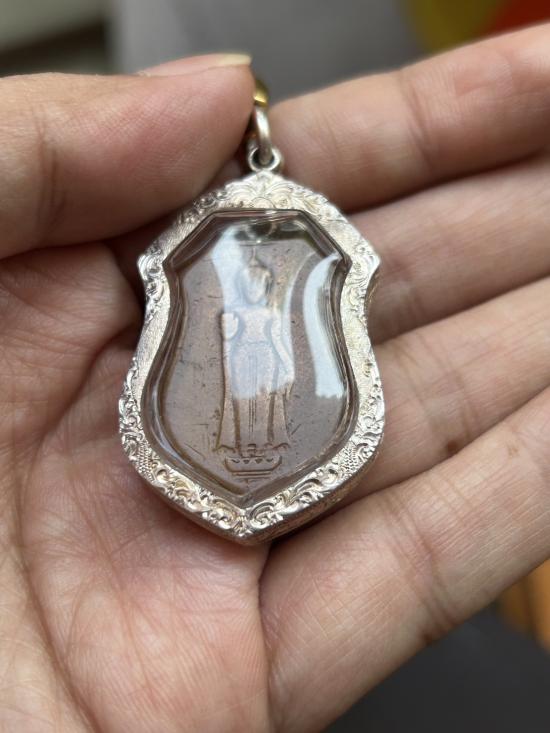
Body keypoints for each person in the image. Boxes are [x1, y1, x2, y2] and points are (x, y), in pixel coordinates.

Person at [0, 22, 549, 732]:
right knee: (245, 414)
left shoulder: (285, 280)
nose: (259, 281)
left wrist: (276, 354)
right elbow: (222, 333)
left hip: (271, 375)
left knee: (265, 412)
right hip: (239, 376)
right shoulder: (219, 285)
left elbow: (286, 346)